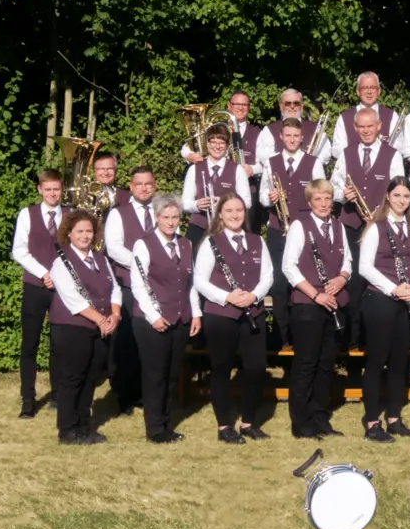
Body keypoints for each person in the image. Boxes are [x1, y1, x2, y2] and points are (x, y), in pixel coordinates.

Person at [194, 194, 274, 444]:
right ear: (220, 214)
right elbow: (199, 280)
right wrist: (228, 296)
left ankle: (248, 422)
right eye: (229, 210)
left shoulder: (257, 240)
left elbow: (268, 275)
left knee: (256, 368)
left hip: (253, 312)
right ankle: (224, 426)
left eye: (239, 210)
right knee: (221, 369)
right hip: (221, 316)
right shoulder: (210, 242)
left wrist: (253, 295)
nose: (235, 215)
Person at [357, 176, 410, 441]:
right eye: (397, 195)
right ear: (388, 196)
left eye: (406, 197)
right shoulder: (376, 227)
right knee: (377, 362)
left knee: (399, 362)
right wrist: (393, 288)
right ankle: (372, 422)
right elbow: (365, 267)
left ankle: (395, 419)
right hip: (380, 301)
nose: (401, 201)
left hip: (408, 301)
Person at [281, 179, 352, 439]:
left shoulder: (338, 226)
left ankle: (320, 417)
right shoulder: (300, 226)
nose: (323, 204)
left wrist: (342, 278)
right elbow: (289, 267)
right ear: (310, 202)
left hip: (334, 304)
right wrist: (315, 294)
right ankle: (300, 422)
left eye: (327, 198)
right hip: (307, 307)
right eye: (318, 199)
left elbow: (348, 261)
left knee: (326, 364)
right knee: (306, 364)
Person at [128, 195, 201, 444]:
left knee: (171, 375)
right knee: (155, 375)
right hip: (152, 321)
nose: (171, 222)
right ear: (157, 218)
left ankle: (167, 424)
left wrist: (196, 313)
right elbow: (138, 284)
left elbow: (190, 283)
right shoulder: (143, 244)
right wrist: (154, 316)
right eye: (166, 217)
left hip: (180, 318)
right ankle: (155, 429)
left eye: (175, 217)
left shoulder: (186, 244)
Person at [47, 210, 122, 445]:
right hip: (72, 327)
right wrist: (101, 320)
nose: (85, 235)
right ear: (69, 234)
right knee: (73, 378)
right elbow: (73, 299)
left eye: (89, 231)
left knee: (90, 378)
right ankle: (67, 430)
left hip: (101, 327)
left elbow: (115, 288)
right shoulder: (62, 261)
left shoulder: (100, 258)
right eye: (79, 231)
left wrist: (115, 314)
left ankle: (83, 425)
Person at [333, 106, 406, 347]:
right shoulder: (346, 153)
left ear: (379, 127)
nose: (365, 130)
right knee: (353, 282)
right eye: (361, 127)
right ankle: (351, 341)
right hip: (351, 225)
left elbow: (399, 191)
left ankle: (374, 339)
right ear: (355, 128)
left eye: (369, 126)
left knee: (377, 282)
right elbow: (333, 187)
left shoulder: (393, 154)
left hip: (380, 227)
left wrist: (381, 213)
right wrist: (344, 194)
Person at [10, 169, 70, 418]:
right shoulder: (28, 214)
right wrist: (44, 273)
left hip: (62, 289)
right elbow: (19, 250)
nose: (53, 193)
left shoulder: (70, 214)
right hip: (35, 286)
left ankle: (57, 395)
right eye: (48, 189)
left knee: (59, 345)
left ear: (61, 189)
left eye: (56, 189)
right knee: (30, 345)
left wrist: (59, 276)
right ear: (40, 190)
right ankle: (28, 400)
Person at [261, 118, 325, 348]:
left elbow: (321, 196)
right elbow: (261, 196)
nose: (291, 139)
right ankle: (283, 338)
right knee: (279, 285)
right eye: (287, 135)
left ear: (302, 138)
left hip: (305, 231)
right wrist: (270, 198)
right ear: (281, 137)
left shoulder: (314, 162)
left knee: (304, 283)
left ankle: (303, 337)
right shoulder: (271, 162)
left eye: (295, 136)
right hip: (278, 229)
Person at [102, 166, 158, 416]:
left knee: (151, 340)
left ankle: (147, 394)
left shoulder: (162, 210)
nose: (144, 188)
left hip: (157, 287)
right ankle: (124, 396)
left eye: (148, 183)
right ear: (131, 187)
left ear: (154, 185)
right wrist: (142, 262)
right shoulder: (118, 213)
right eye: (139, 184)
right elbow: (113, 248)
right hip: (127, 285)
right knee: (126, 342)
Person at [181, 91, 262, 230]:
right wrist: (189, 155)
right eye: (237, 104)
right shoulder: (215, 128)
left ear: (249, 108)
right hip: (209, 181)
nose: (240, 108)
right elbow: (187, 147)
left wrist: (253, 169)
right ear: (229, 106)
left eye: (244, 104)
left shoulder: (258, 133)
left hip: (245, 188)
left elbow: (264, 163)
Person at [180, 125, 249, 248]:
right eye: (213, 142)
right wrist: (196, 205)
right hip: (199, 226)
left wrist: (224, 203)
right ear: (207, 143)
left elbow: (247, 202)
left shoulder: (237, 169)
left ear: (228, 146)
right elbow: (185, 203)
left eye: (221, 143)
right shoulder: (194, 169)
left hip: (227, 227)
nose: (217, 146)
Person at [257, 88, 331, 173]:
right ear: (281, 106)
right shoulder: (269, 129)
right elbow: (264, 156)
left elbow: (325, 154)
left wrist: (310, 165)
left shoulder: (316, 128)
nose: (292, 106)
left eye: (296, 103)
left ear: (302, 106)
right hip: (280, 177)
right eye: (288, 103)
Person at [331, 71, 400, 160]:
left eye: (373, 87)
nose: (369, 92)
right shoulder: (344, 118)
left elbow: (399, 146)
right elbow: (337, 150)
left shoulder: (392, 116)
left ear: (379, 91)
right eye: (364, 88)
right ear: (358, 91)